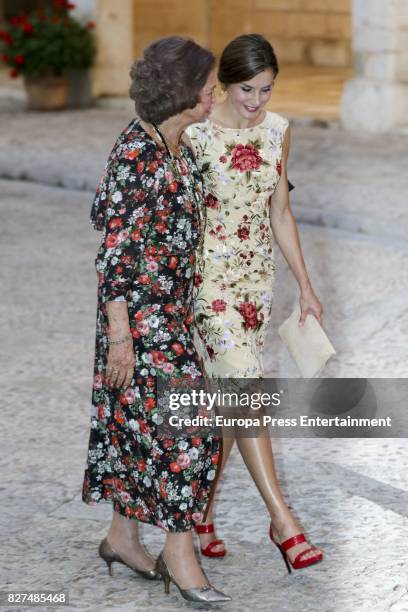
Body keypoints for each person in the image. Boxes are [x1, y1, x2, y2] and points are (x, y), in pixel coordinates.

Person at [82, 36, 231, 603]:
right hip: (139, 322)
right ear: (185, 95)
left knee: (134, 428)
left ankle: (123, 537)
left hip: (168, 312)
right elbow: (113, 255)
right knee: (192, 430)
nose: (213, 94)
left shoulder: (179, 144)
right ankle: (178, 547)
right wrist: (122, 340)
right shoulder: (135, 156)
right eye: (209, 86)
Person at [186, 33, 324, 571]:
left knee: (232, 395)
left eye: (266, 89)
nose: (256, 100)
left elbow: (281, 213)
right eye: (247, 88)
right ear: (224, 83)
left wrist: (306, 288)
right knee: (245, 387)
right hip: (206, 283)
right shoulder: (195, 131)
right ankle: (283, 523)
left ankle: (199, 511)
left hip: (253, 287)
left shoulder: (278, 132)